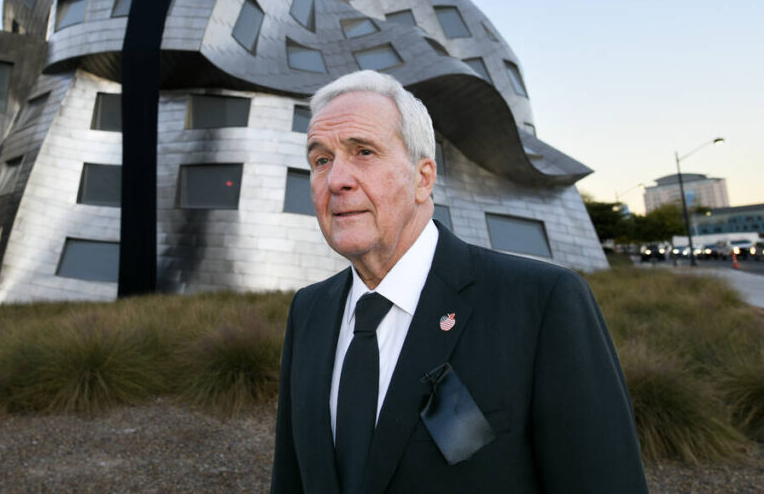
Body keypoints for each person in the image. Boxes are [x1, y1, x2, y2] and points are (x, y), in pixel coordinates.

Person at [271, 70, 648, 493]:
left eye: (363, 152)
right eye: (321, 160)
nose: (336, 179)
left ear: (423, 178)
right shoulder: (309, 310)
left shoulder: (541, 303)